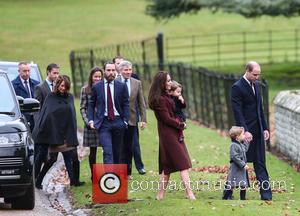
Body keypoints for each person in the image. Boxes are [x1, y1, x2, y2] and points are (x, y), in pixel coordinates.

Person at [148, 71, 195, 200]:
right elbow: (167, 119)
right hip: (168, 134)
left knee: (167, 166)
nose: (170, 82)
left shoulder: (166, 96)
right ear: (161, 83)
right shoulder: (159, 100)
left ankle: (160, 195)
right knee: (183, 164)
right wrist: (181, 124)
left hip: (174, 132)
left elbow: (177, 110)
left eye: (170, 80)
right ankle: (190, 193)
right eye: (168, 81)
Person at [33, 75, 84, 188]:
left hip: (67, 134)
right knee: (52, 159)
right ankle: (38, 180)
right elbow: (47, 115)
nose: (63, 88)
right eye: (61, 86)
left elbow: (72, 116)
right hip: (55, 135)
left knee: (71, 156)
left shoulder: (70, 97)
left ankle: (74, 181)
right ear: (57, 85)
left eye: (65, 86)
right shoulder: (51, 97)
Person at [231, 61, 272, 200]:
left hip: (259, 131)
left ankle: (266, 195)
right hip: (244, 134)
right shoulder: (237, 87)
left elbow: (260, 109)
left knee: (260, 163)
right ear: (247, 71)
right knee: (238, 164)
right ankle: (228, 193)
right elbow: (237, 112)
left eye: (258, 75)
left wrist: (265, 128)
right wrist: (245, 131)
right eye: (255, 74)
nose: (257, 77)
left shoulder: (257, 85)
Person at [88, 62, 129, 164]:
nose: (111, 73)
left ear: (116, 71)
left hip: (118, 122)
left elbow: (126, 104)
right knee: (107, 151)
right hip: (104, 123)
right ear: (104, 71)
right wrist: (91, 120)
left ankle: (116, 177)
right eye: (109, 70)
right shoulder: (97, 87)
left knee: (117, 153)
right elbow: (91, 104)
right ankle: (109, 177)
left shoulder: (122, 86)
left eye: (113, 70)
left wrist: (125, 121)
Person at [116, 60, 147, 177]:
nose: (128, 72)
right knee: (120, 146)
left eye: (130, 69)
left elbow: (141, 102)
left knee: (129, 147)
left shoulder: (136, 83)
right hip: (118, 119)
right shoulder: (115, 82)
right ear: (120, 70)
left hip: (132, 119)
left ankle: (128, 172)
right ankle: (120, 170)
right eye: (126, 70)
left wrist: (143, 119)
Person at [34, 63, 60, 178]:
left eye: (58, 73)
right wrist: (39, 124)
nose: (56, 75)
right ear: (48, 72)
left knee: (53, 156)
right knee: (41, 154)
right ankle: (35, 176)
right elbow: (36, 108)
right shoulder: (40, 87)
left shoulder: (59, 87)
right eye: (54, 73)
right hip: (44, 126)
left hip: (56, 127)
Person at [80, 66, 102, 181]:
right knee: (92, 152)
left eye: (99, 76)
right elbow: (82, 108)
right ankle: (94, 175)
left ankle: (107, 174)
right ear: (91, 77)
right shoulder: (85, 89)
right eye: (95, 76)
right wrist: (88, 121)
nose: (97, 79)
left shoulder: (105, 88)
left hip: (104, 124)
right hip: (91, 125)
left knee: (107, 150)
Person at [222, 126, 250, 200]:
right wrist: (243, 164)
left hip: (241, 169)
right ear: (237, 137)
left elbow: (245, 149)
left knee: (243, 184)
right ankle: (225, 198)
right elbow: (234, 157)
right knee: (232, 185)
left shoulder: (240, 144)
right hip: (235, 168)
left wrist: (247, 141)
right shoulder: (233, 145)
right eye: (243, 134)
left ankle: (243, 199)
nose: (244, 135)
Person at [11, 61, 40, 131]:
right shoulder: (13, 85)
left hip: (36, 119)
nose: (27, 73)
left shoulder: (37, 84)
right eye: (24, 71)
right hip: (22, 119)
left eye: (28, 71)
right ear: (19, 71)